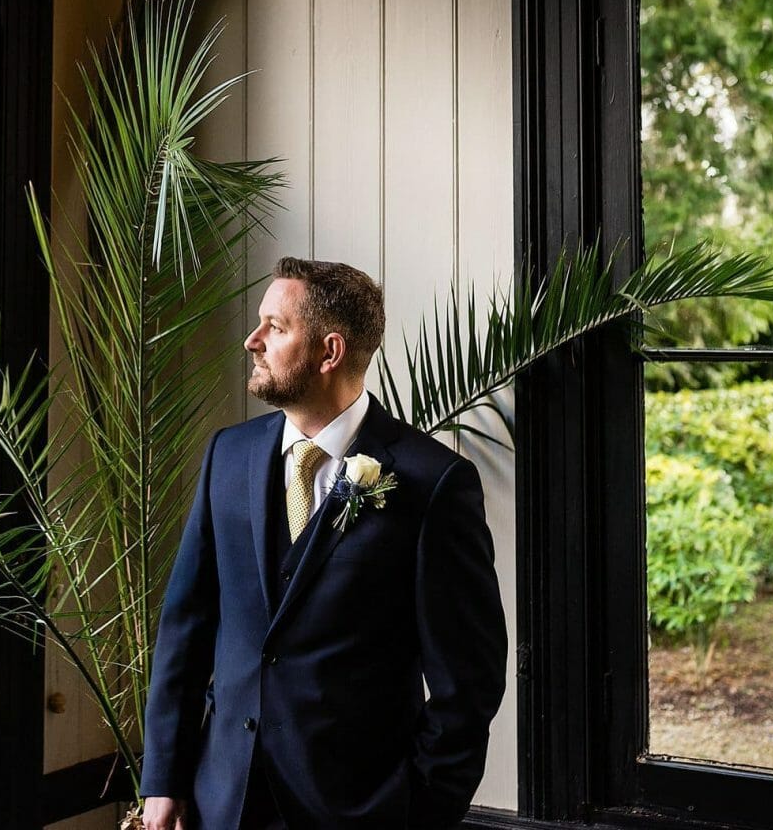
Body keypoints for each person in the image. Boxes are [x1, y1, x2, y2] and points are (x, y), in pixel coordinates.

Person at [139, 257, 508, 829]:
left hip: (359, 810)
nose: (251, 340)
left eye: (276, 328)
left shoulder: (431, 483)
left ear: (329, 352)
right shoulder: (227, 457)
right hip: (222, 800)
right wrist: (164, 779)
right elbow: (185, 628)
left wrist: (420, 810)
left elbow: (470, 682)